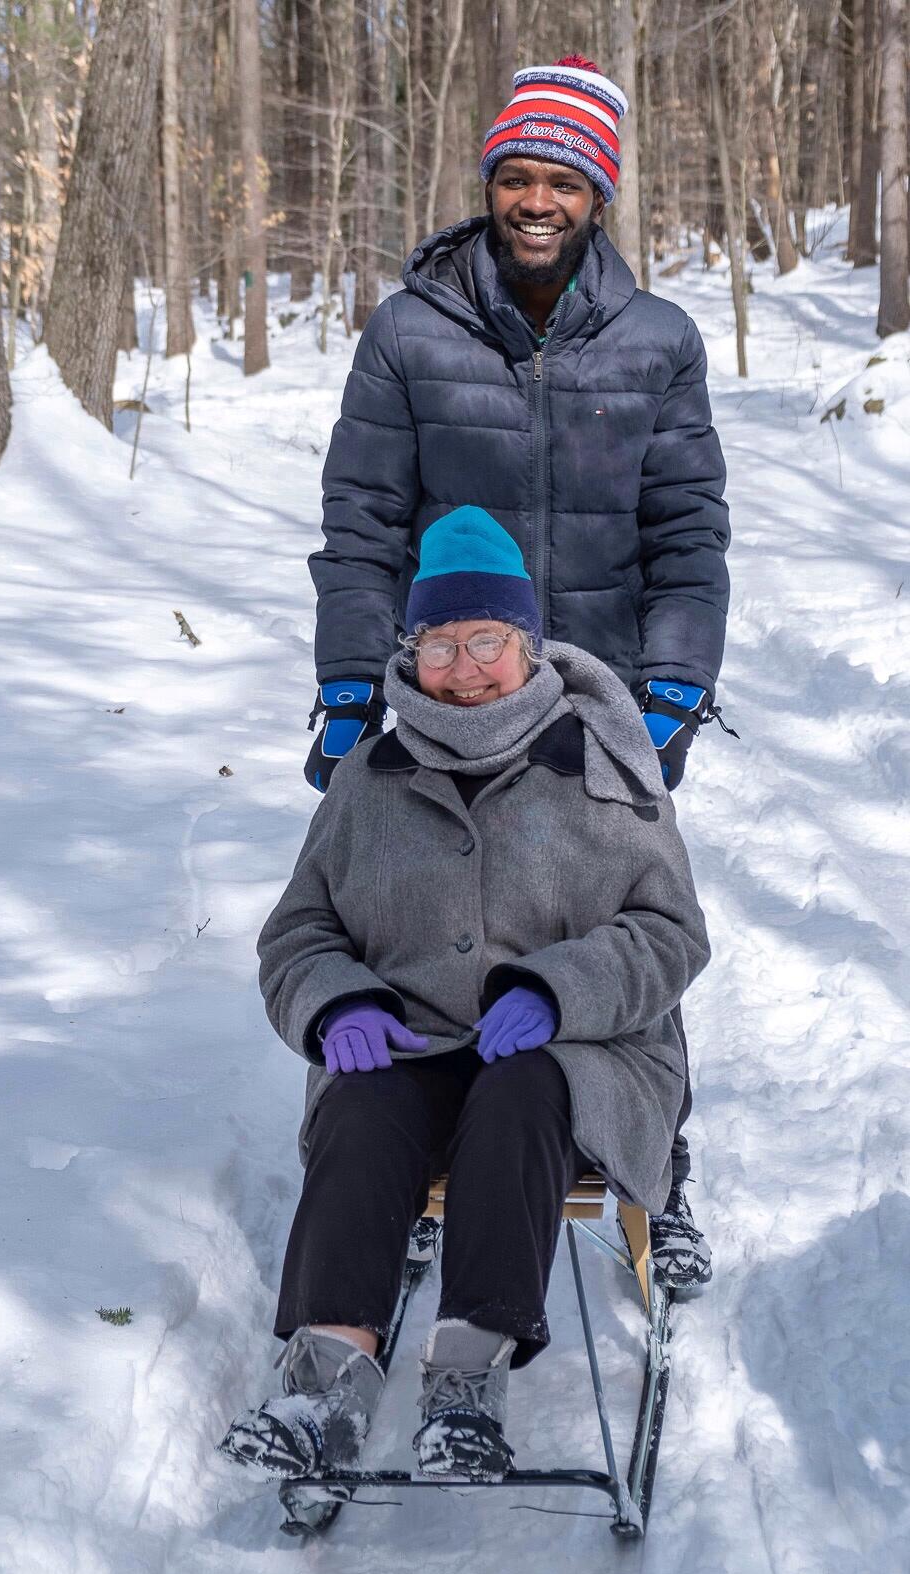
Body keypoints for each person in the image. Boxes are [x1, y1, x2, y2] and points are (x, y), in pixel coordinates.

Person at [303, 56, 730, 1288]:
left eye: (564, 182)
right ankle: (432, 1148)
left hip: (597, 706)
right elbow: (362, 525)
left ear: (600, 196)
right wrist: (349, 689)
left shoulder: (658, 341)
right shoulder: (409, 331)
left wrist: (669, 697)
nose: (537, 202)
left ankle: (658, 1168)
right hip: (447, 689)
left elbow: (688, 537)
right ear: (490, 184)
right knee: (429, 918)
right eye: (518, 178)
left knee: (623, 933)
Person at [220, 510, 709, 1484]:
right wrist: (336, 1002)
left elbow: (671, 934)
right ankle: (326, 1385)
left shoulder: (602, 770)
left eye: (487, 640)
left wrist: (559, 988)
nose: (467, 665)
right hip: (408, 1050)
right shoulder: (368, 777)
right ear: (415, 651)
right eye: (443, 644)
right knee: (359, 1105)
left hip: (576, 1060)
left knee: (519, 1094)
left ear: (527, 647)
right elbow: (297, 933)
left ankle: (464, 1389)